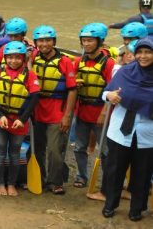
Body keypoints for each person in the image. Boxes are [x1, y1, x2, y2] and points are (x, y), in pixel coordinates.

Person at [101, 37, 153, 221]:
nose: (143, 56)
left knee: (142, 174)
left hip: (147, 135)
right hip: (119, 132)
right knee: (115, 170)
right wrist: (110, 95)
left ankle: (136, 209)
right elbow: (105, 92)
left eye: (148, 52)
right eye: (140, 52)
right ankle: (110, 205)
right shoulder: (125, 71)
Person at [0, 41, 40, 196]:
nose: (13, 61)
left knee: (15, 153)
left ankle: (11, 184)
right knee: (1, 151)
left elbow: (34, 99)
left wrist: (23, 119)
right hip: (0, 119)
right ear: (5, 58)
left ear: (23, 58)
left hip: (19, 121)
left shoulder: (30, 75)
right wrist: (0, 115)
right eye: (10, 57)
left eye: (17, 57)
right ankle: (0, 184)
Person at [29, 25, 77, 195]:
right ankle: (39, 179)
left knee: (55, 150)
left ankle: (55, 181)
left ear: (54, 42)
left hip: (57, 112)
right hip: (36, 111)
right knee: (37, 149)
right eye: (41, 41)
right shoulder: (32, 58)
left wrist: (67, 116)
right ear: (36, 43)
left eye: (48, 40)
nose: (44, 44)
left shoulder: (64, 62)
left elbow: (72, 90)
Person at [72, 23, 115, 189]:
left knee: (105, 151)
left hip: (100, 113)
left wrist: (104, 113)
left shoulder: (109, 64)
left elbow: (112, 89)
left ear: (100, 42)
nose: (86, 44)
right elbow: (70, 84)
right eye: (84, 40)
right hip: (82, 111)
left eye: (90, 40)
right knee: (79, 147)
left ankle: (108, 181)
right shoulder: (78, 61)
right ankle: (81, 176)